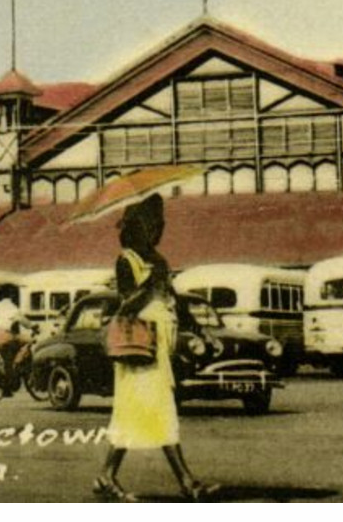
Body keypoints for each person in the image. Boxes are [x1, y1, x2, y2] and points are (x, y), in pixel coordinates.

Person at [94, 193, 217, 502]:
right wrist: (151, 283)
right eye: (153, 223)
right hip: (138, 348)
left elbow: (175, 301)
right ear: (138, 225)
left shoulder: (158, 260)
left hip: (158, 348)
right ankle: (187, 483)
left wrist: (201, 330)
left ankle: (107, 476)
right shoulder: (127, 260)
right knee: (157, 410)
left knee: (136, 412)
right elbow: (125, 306)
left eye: (161, 224)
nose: (159, 230)